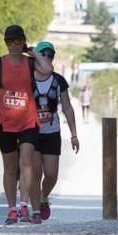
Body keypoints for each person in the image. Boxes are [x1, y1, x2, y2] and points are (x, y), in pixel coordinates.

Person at [0, 24, 53, 225]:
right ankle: (11, 209)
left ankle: (24, 205)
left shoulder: (30, 64)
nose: (13, 45)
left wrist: (35, 53)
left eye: (17, 41)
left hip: (28, 120)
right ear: (5, 43)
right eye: (9, 41)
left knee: (26, 162)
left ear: (23, 42)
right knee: (10, 167)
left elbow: (48, 70)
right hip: (5, 121)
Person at [31, 41, 80, 221]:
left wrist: (74, 134)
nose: (47, 58)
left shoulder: (59, 80)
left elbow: (67, 107)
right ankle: (35, 211)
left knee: (51, 174)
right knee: (35, 172)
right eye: (43, 54)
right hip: (32, 132)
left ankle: (44, 197)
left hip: (52, 131)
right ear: (36, 56)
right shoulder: (27, 78)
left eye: (50, 55)